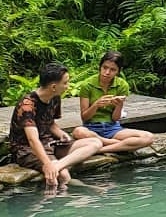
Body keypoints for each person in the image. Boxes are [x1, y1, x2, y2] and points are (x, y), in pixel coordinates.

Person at [10, 62, 106, 191]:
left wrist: (61, 134)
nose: (68, 86)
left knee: (95, 143)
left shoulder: (54, 97)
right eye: (65, 83)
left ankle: (57, 165)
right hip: (27, 149)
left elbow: (50, 123)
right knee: (63, 174)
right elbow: (33, 140)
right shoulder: (27, 105)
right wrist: (47, 163)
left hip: (50, 144)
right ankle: (83, 189)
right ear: (54, 86)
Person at [76, 50, 155, 152]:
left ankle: (100, 149)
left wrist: (119, 105)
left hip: (112, 128)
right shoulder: (87, 85)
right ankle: (117, 144)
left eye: (112, 69)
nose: (107, 72)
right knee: (78, 131)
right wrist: (96, 105)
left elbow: (115, 118)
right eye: (105, 67)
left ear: (118, 71)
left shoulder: (122, 85)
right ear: (100, 67)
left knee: (148, 137)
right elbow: (84, 117)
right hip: (91, 128)